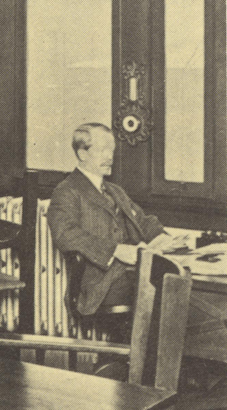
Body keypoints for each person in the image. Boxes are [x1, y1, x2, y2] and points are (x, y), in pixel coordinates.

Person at [47, 122, 185, 316]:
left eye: (111, 150)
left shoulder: (115, 190)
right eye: (102, 150)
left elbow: (143, 220)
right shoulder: (66, 191)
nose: (110, 157)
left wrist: (161, 238)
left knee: (180, 281)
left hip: (130, 271)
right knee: (174, 290)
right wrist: (116, 250)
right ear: (82, 154)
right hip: (101, 283)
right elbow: (66, 235)